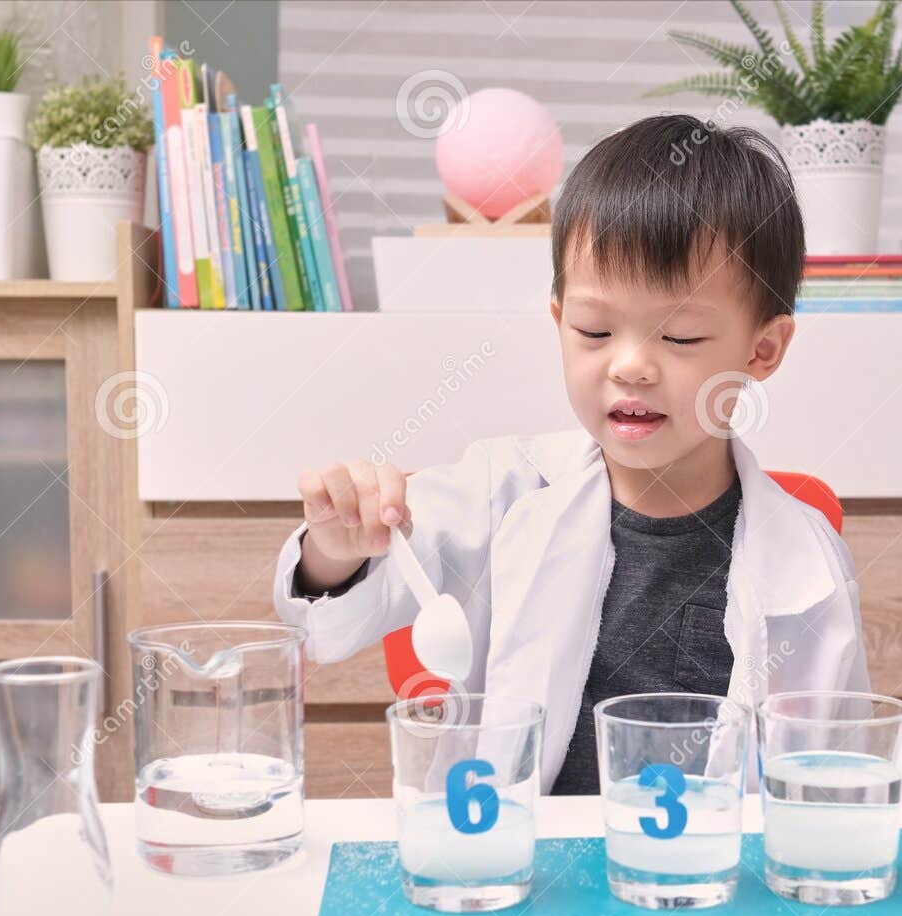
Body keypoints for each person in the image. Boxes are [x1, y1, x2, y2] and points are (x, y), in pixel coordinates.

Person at [273, 113, 870, 794]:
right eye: (595, 329)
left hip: (706, 879)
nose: (632, 366)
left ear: (761, 350)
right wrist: (338, 545)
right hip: (524, 869)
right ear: (560, 322)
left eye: (679, 339)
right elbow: (332, 618)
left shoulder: (809, 563)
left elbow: (833, 782)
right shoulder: (503, 490)